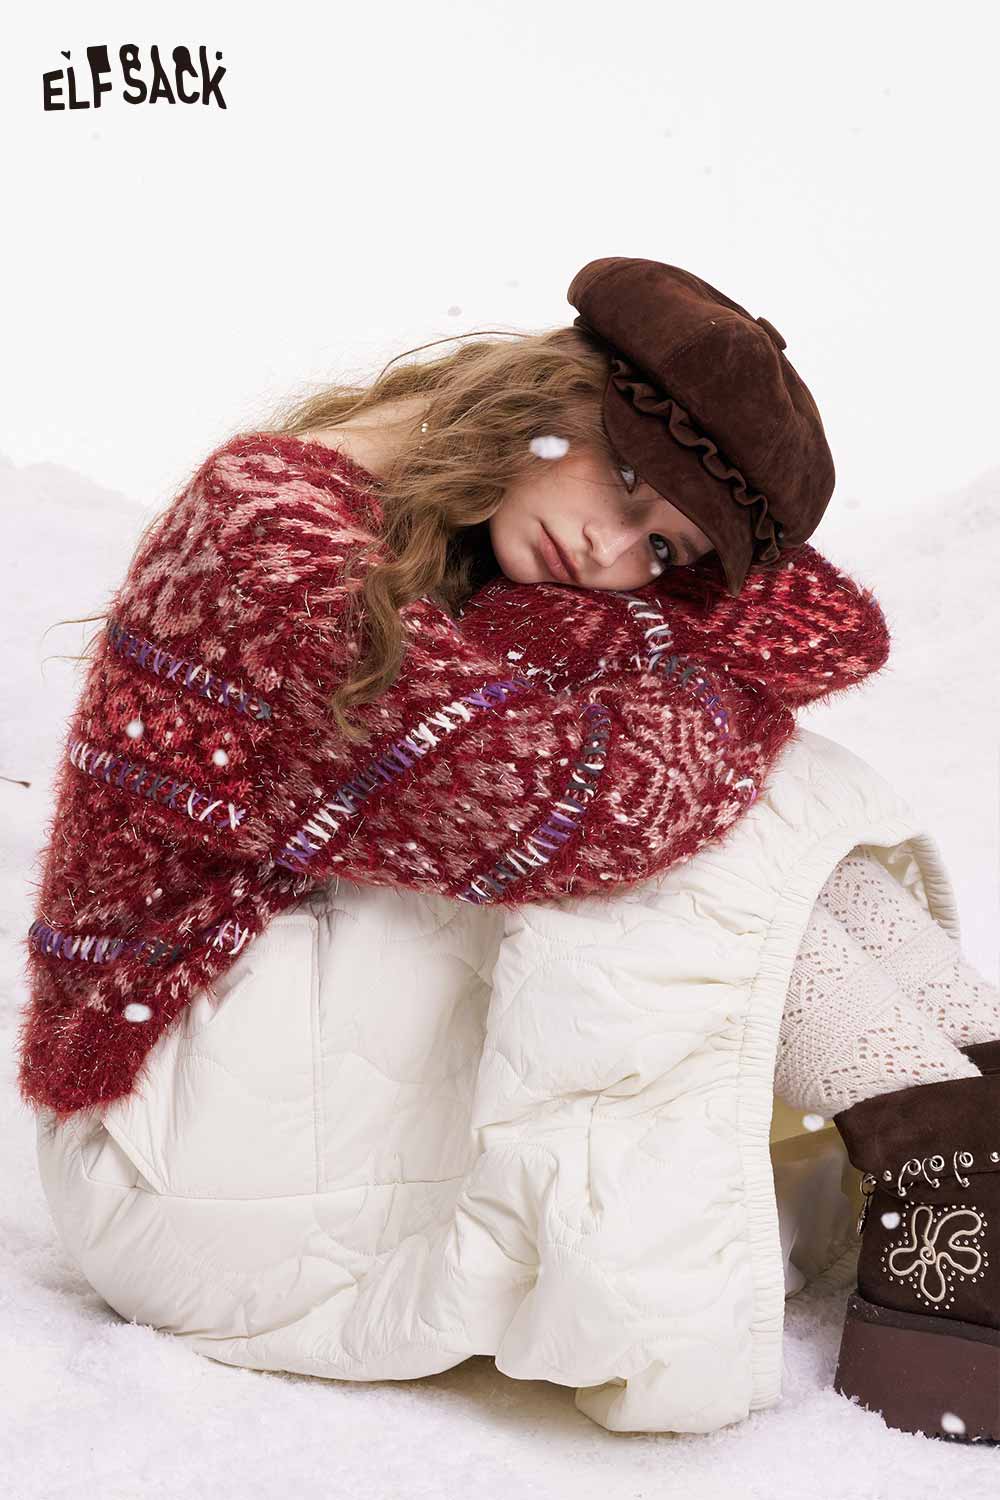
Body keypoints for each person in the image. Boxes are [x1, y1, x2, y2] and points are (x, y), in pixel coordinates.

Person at [22, 258, 1000, 1442]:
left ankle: (975, 1117)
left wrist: (690, 665)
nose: (614, 551)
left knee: (738, 783)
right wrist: (713, 686)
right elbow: (555, 801)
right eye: (628, 486)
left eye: (664, 549)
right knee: (677, 825)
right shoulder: (260, 533)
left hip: (283, 1074)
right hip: (169, 1143)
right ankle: (948, 1158)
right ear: (550, 397)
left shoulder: (458, 540)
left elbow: (802, 629)